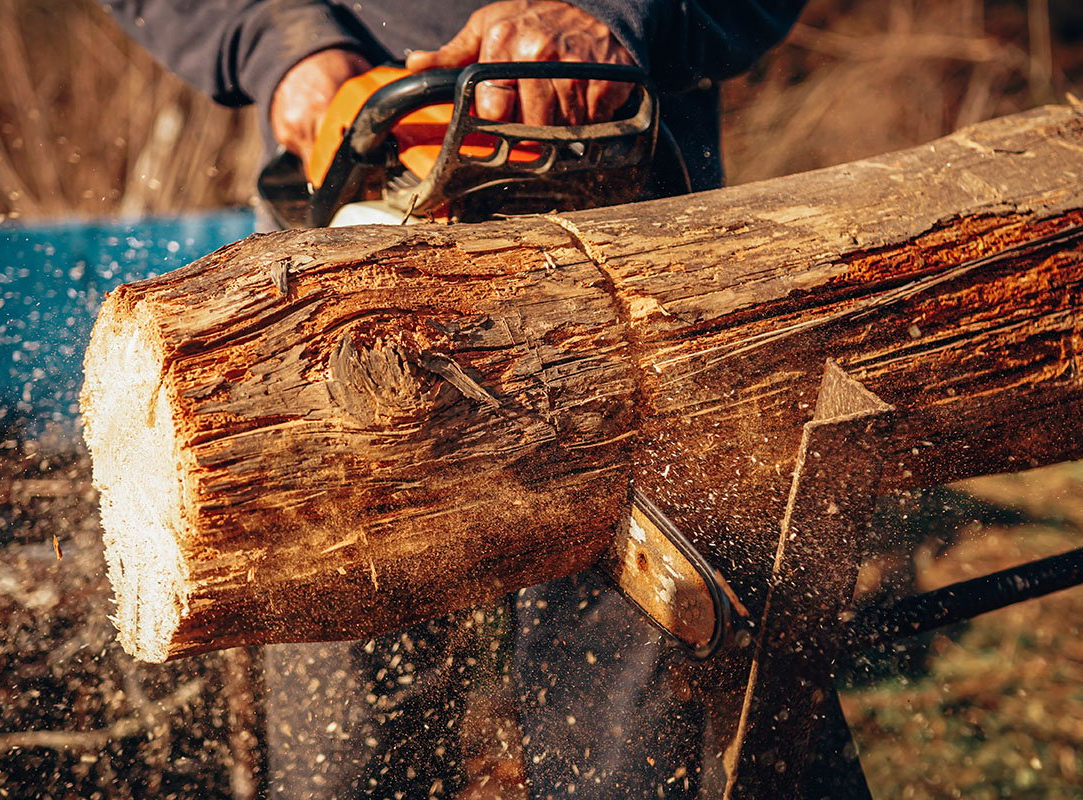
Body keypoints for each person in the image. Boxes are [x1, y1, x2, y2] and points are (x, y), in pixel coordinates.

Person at [105, 2, 806, 797]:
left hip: (628, 250)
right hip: (338, 257)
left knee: (645, 745)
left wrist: (622, 14)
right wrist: (277, 41)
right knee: (345, 756)